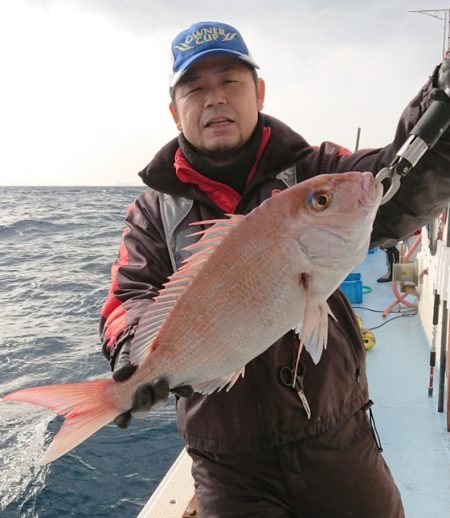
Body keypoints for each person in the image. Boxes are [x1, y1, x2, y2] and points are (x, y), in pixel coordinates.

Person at [99, 21, 450, 518]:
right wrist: (135, 358)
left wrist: (443, 103)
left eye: (230, 81)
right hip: (227, 464)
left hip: (334, 433)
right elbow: (127, 296)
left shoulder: (316, 170)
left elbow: (399, 180)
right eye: (195, 89)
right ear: (175, 112)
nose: (214, 99)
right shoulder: (152, 212)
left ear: (258, 92)